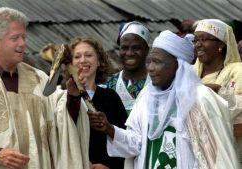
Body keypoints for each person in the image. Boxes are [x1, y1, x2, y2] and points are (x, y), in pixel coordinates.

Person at [0, 7, 90, 169]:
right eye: (15, 38)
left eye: (24, 37)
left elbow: (63, 124)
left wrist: (74, 95)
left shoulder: (40, 80)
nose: (22, 44)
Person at [89, 30, 241, 169]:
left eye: (158, 62)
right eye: (150, 61)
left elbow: (213, 158)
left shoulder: (198, 99)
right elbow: (136, 143)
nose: (150, 68)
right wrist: (109, 129)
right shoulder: (146, 97)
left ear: (178, 65)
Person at [65, 37, 128, 169]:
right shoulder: (60, 99)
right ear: (70, 64)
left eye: (88, 55)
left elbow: (125, 139)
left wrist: (109, 167)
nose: (83, 60)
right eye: (77, 57)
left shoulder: (111, 98)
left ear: (99, 61)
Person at [193, 19, 242, 160]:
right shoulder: (189, 73)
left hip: (227, 152)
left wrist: (219, 93)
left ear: (221, 43)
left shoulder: (237, 71)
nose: (198, 44)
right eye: (195, 40)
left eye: (204, 39)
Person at [106, 21, 150, 114]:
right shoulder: (110, 85)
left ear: (146, 50)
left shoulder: (158, 83)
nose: (129, 53)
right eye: (125, 48)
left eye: (136, 48)